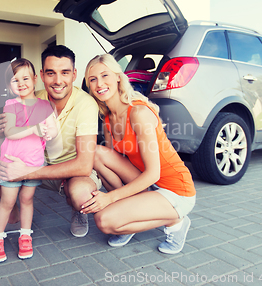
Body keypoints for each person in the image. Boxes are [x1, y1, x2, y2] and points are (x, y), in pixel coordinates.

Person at [0, 45, 101, 242]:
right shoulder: (34, 96)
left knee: (82, 195)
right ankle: (11, 214)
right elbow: (11, 126)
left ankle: (79, 211)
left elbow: (84, 165)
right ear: (41, 75)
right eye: (51, 73)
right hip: (38, 161)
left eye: (65, 73)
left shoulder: (85, 104)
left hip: (70, 171)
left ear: (74, 74)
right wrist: (3, 126)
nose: (58, 81)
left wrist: (26, 172)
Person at [81, 54, 196, 253]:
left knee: (104, 221)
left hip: (176, 190)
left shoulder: (139, 114)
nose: (99, 83)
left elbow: (154, 174)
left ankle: (177, 221)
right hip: (149, 184)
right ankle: (130, 213)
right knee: (96, 153)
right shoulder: (108, 119)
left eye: (104, 75)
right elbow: (117, 163)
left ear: (118, 77)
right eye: (93, 79)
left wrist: (110, 198)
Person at [0, 58, 58, 263]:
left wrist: (49, 133)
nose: (21, 83)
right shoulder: (11, 105)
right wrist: (34, 129)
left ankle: (25, 235)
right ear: (9, 86)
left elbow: (53, 127)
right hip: (11, 164)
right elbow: (9, 132)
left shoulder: (45, 105)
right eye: (15, 80)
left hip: (34, 164)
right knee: (8, 202)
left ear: (35, 79)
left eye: (25, 78)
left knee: (27, 200)